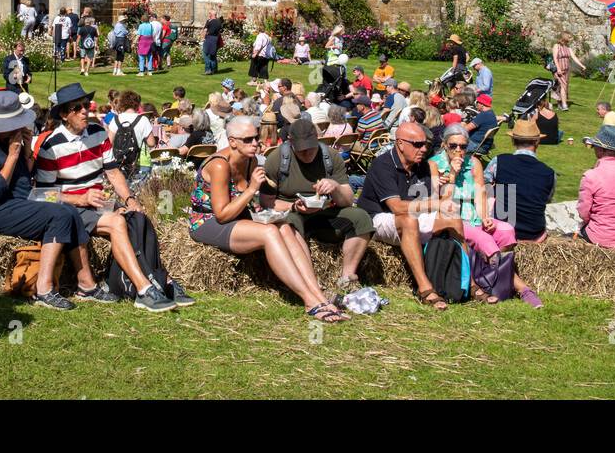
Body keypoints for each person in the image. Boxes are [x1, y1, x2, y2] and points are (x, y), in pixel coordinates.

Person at [34, 83, 187, 311]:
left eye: (86, 105)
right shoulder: (51, 146)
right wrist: (80, 199)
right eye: (78, 108)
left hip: (97, 203)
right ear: (65, 115)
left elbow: (113, 173)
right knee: (117, 222)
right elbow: (41, 195)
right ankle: (144, 289)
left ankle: (162, 280)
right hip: (71, 208)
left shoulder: (97, 133)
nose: (85, 111)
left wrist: (130, 200)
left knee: (138, 218)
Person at [190, 115, 346, 322]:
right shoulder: (220, 165)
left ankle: (318, 293)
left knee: (286, 226)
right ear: (232, 142)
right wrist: (253, 188)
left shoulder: (251, 161)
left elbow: (253, 203)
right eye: (247, 140)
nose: (255, 143)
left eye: (256, 138)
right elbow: (222, 214)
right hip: (207, 222)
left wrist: (287, 208)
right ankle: (310, 301)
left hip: (238, 218)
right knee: (270, 232)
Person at [0, 90, 96, 312]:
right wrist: (13, 156)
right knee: (58, 215)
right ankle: (43, 289)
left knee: (68, 210)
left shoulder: (10, 140)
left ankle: (86, 283)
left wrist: (25, 154)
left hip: (15, 201)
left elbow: (24, 185)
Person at [357, 120, 465, 310]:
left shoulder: (422, 166)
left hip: (410, 218)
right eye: (418, 144)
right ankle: (424, 287)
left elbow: (433, 202)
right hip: (377, 218)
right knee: (409, 219)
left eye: (426, 145)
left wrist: (451, 178)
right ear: (400, 143)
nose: (423, 149)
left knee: (453, 218)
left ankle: (468, 282)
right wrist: (436, 204)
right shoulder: (382, 164)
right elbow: (397, 207)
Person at [430, 125, 541, 306]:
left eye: (463, 146)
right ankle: (522, 289)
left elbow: (481, 194)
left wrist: (484, 217)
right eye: (453, 146)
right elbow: (441, 201)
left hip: (473, 215)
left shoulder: (474, 163)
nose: (459, 150)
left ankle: (493, 279)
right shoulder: (434, 164)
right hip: (452, 219)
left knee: (506, 230)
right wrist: (452, 173)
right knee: (485, 240)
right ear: (444, 144)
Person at [260, 117, 374, 290]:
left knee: (361, 218)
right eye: (301, 150)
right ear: (291, 143)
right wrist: (292, 206)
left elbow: (348, 200)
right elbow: (267, 202)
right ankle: (311, 281)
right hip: (292, 212)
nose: (307, 154)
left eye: (311, 148)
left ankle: (347, 277)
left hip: (324, 211)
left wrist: (335, 188)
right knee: (289, 225)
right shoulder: (276, 160)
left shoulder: (331, 157)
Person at [485, 118, 557, 242]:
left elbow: (483, 186)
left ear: (513, 140)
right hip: (534, 233)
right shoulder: (549, 173)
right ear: (537, 142)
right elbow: (546, 200)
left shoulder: (499, 161)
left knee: (492, 193)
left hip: (502, 228)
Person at [551, 33, 580, 110]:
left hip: (566, 71)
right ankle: (564, 105)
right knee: (563, 86)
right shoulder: (556, 46)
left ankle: (560, 104)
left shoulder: (568, 48)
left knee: (561, 87)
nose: (571, 39)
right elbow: (555, 58)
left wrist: (581, 65)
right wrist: (558, 68)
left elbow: (574, 57)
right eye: (569, 37)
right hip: (559, 70)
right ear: (564, 37)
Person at [201, 9, 223, 75]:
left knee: (206, 54)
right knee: (213, 55)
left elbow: (205, 30)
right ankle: (214, 69)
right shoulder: (219, 22)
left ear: (211, 14)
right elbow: (219, 31)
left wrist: (203, 38)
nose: (209, 15)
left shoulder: (209, 21)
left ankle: (208, 70)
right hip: (216, 38)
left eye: (209, 13)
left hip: (209, 38)